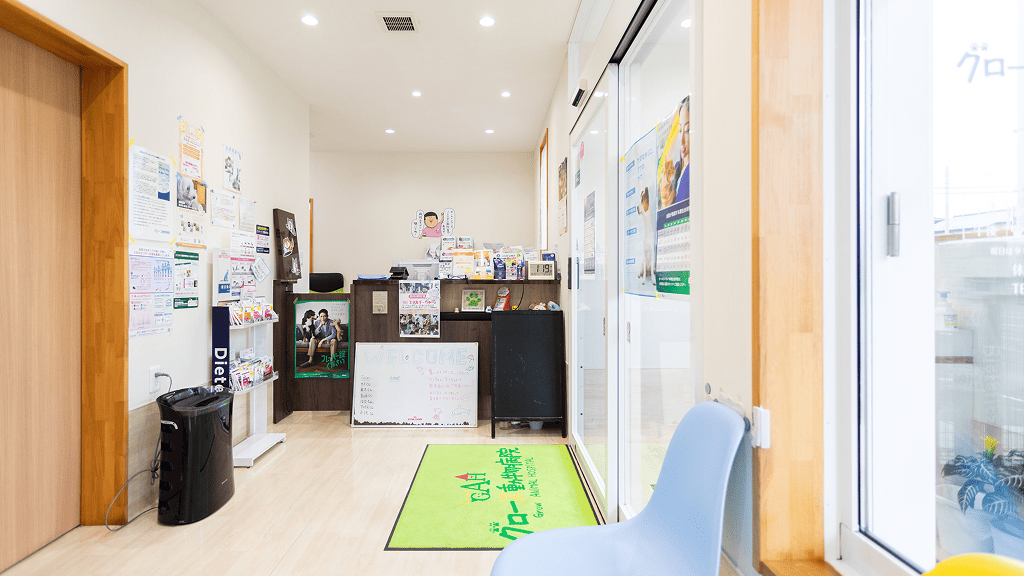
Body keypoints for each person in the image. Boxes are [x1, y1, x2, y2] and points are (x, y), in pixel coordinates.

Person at [637, 187, 656, 284]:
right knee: (644, 255)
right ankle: (643, 274)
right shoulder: (643, 209)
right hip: (646, 234)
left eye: (643, 200)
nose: (641, 203)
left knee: (651, 253)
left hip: (650, 234)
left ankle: (651, 273)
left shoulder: (650, 212)